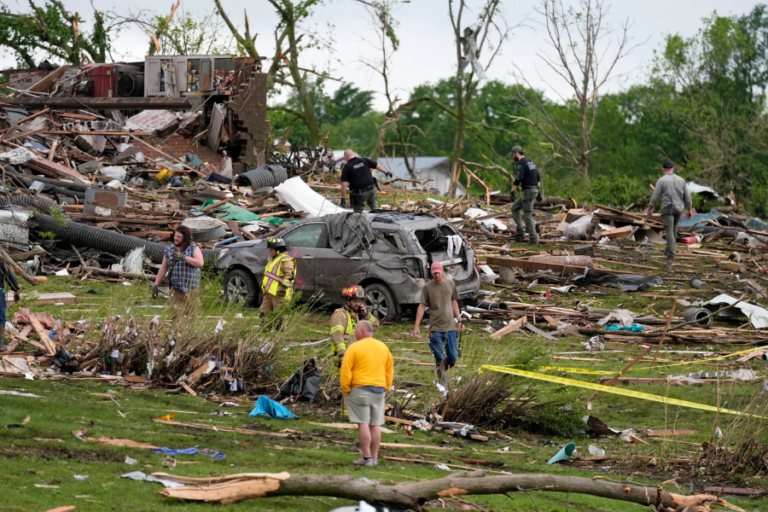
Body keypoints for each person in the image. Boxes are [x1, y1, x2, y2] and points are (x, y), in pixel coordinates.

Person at [341, 320, 393, 467]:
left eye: (356, 330)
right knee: (375, 424)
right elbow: (389, 370)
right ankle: (375, 458)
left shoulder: (354, 347)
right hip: (379, 390)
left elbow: (346, 371)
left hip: (360, 389)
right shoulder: (383, 347)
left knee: (363, 422)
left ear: (362, 331)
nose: (354, 333)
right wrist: (386, 386)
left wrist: (346, 389)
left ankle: (366, 457)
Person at [412, 262, 461, 381]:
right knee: (439, 356)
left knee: (453, 357)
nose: (437, 275)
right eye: (434, 273)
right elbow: (422, 306)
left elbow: (454, 302)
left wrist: (459, 319)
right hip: (435, 328)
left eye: (438, 273)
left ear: (443, 272)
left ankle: (442, 368)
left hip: (450, 327)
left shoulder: (450, 284)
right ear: (431, 274)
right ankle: (443, 382)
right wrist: (416, 326)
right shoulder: (427, 287)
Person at [152, 226, 204, 320]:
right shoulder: (169, 250)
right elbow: (163, 268)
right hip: (175, 289)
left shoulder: (193, 248)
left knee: (192, 317)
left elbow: (200, 263)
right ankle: (177, 333)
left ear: (185, 238)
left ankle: (190, 334)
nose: (176, 238)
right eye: (175, 236)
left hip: (191, 289)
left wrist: (184, 257)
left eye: (179, 237)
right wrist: (156, 285)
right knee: (176, 317)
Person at [646, 161, 693, 261]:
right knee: (673, 229)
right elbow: (688, 198)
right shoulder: (681, 180)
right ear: (673, 169)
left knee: (669, 231)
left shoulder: (661, 181)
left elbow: (655, 197)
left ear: (663, 170)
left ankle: (671, 254)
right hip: (678, 209)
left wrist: (650, 209)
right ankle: (669, 250)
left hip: (667, 208)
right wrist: (689, 210)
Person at [329, 285, 380, 368]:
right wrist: (342, 354)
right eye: (355, 301)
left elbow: (375, 326)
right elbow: (337, 336)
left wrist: (366, 314)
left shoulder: (358, 315)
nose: (358, 304)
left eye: (359, 301)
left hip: (358, 356)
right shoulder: (339, 315)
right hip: (346, 357)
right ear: (348, 301)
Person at [509, 146, 541, 244]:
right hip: (532, 190)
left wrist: (512, 190)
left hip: (528, 191)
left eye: (512, 154)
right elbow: (538, 177)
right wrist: (538, 190)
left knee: (527, 216)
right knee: (514, 208)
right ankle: (520, 232)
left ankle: (534, 239)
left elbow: (519, 177)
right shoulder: (530, 161)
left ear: (517, 153)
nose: (512, 157)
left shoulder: (521, 163)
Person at [260, 238, 295, 319]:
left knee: (279, 316)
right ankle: (264, 329)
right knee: (263, 312)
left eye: (271, 249)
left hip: (279, 293)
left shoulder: (286, 260)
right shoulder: (273, 259)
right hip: (269, 292)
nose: (270, 251)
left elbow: (289, 275)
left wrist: (283, 288)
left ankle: (279, 331)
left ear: (278, 250)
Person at [0, 259, 20, 352]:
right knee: (0, 318)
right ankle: (1, 343)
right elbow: (10, 277)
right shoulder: (1, 261)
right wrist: (16, 289)